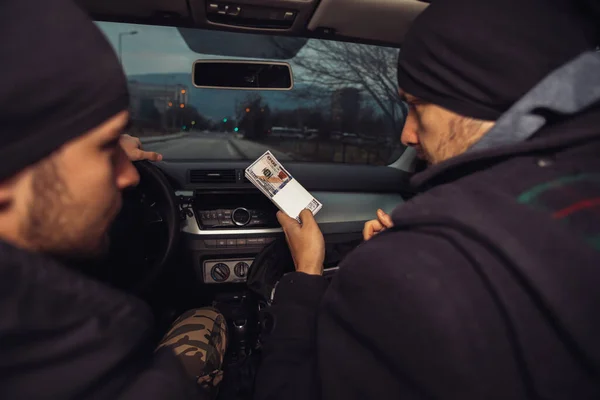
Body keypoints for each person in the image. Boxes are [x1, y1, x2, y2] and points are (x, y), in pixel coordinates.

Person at [255, 0, 600, 399]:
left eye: (417, 105)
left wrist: (309, 272)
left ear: (477, 93)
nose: (407, 134)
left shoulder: (415, 266)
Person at [0, 0, 227, 398]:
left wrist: (102, 144)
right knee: (207, 318)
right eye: (106, 149)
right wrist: (305, 284)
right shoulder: (107, 371)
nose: (129, 175)